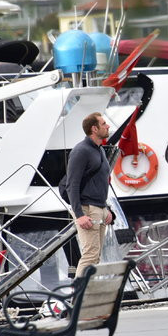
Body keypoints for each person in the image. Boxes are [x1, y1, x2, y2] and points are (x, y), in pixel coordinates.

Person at [67, 112, 114, 278]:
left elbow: (100, 183)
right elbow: (72, 185)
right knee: (90, 255)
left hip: (99, 207)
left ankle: (84, 296)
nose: (107, 126)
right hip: (87, 209)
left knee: (96, 256)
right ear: (94, 128)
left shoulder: (99, 150)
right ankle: (78, 298)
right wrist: (79, 215)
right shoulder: (81, 151)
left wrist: (106, 209)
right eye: (103, 123)